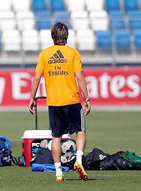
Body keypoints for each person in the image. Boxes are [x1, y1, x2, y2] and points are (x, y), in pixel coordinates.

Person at [28, 22, 91, 182]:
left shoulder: (45, 54)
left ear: (52, 36)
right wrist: (87, 97)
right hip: (71, 100)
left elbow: (36, 77)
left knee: (56, 137)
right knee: (80, 132)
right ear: (66, 36)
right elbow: (79, 77)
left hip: (54, 102)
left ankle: (58, 172)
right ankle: (78, 159)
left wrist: (32, 98)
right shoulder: (72, 53)